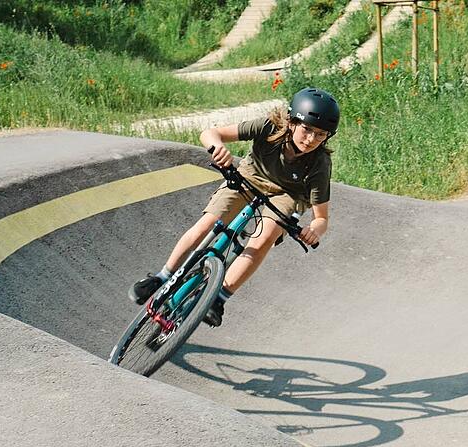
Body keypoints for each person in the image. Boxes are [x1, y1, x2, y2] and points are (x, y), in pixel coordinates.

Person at [129, 87, 339, 326]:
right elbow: (210, 133)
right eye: (307, 129)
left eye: (321, 134)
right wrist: (217, 148)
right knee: (208, 225)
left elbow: (321, 217)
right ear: (291, 122)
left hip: (286, 194)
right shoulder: (269, 127)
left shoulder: (320, 162)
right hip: (249, 176)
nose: (311, 139)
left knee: (264, 237)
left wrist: (314, 231)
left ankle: (219, 298)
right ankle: (162, 276)